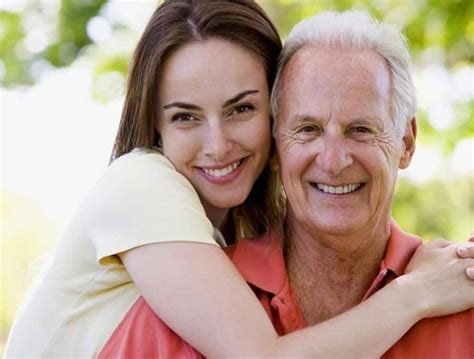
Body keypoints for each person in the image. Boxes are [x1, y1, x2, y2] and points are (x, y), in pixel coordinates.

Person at [5, 2, 473, 358]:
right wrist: (417, 294)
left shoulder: (211, 250)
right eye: (186, 116)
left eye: (241, 109)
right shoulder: (139, 190)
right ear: (155, 126)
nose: (219, 144)